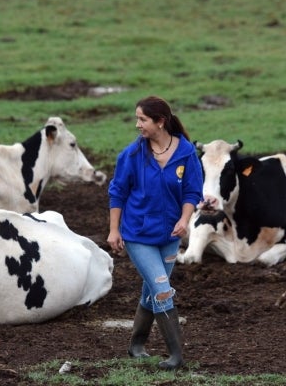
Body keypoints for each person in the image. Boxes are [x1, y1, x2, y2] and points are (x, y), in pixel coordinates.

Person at [107, 96, 203, 370]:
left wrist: (185, 220)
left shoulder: (186, 153)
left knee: (152, 289)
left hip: (170, 236)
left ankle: (136, 345)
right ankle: (176, 355)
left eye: (143, 119)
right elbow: (117, 192)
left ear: (160, 122)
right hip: (138, 234)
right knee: (162, 290)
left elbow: (192, 192)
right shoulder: (132, 155)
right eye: (137, 118)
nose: (137, 125)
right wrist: (115, 230)